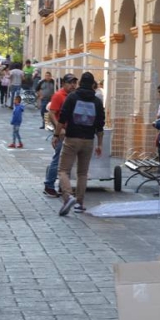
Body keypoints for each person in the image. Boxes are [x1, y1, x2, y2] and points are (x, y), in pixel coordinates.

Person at [55, 72, 105, 216]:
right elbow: (100, 125)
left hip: (71, 138)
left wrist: (56, 135)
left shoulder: (72, 97)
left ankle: (68, 196)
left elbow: (62, 117)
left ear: (81, 82)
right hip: (88, 140)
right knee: (82, 173)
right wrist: (100, 144)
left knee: (63, 170)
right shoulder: (96, 101)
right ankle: (79, 203)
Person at [43, 74, 78, 198]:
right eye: (70, 82)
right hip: (62, 132)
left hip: (72, 132)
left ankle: (62, 187)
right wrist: (59, 129)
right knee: (58, 160)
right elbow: (52, 114)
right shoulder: (58, 95)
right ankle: (49, 185)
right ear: (63, 83)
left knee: (66, 162)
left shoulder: (74, 96)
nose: (72, 85)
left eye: (74, 82)